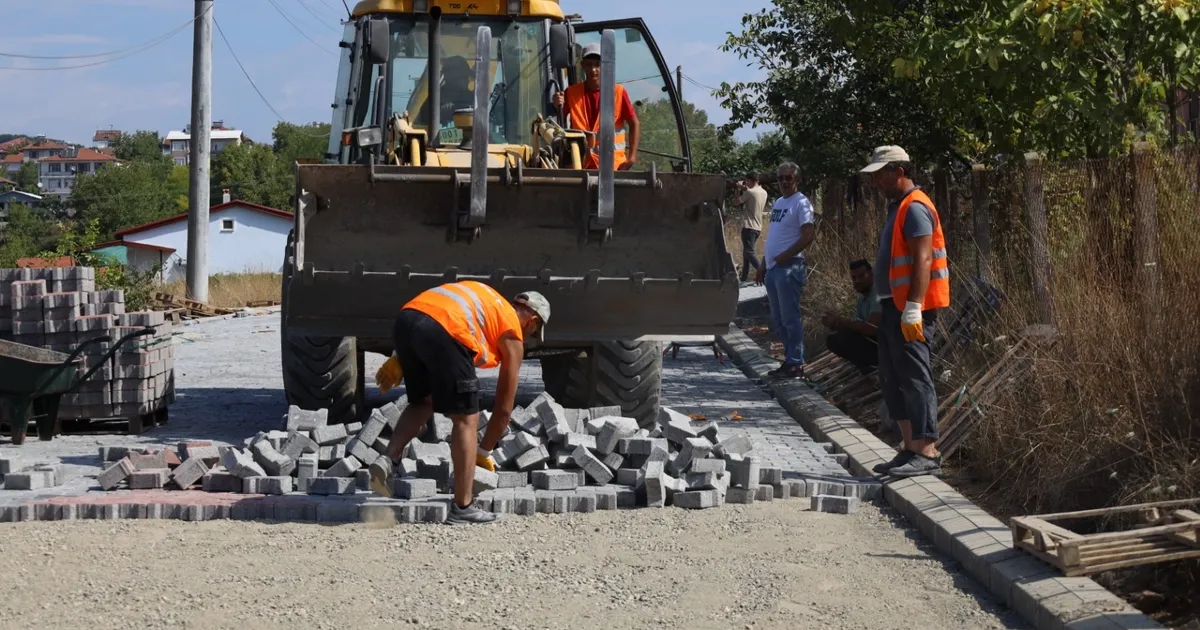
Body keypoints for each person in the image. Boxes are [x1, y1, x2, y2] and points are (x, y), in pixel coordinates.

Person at [374, 281, 550, 524]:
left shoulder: (490, 301)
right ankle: (463, 507)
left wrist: (399, 355)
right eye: (532, 333)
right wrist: (483, 451)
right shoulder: (511, 332)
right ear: (532, 321)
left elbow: (434, 311)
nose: (528, 338)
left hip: (406, 320)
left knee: (424, 402)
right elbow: (503, 409)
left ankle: (388, 460)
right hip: (444, 330)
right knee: (467, 417)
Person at [860, 146, 950, 478]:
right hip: (893, 307)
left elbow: (923, 259)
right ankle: (910, 447)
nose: (875, 183)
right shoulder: (899, 207)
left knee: (914, 377)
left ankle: (926, 450)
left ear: (898, 172)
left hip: (912, 310)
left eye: (880, 175)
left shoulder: (915, 208)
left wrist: (913, 306)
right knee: (893, 377)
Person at [755, 162, 816, 379]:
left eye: (788, 178)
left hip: (789, 267)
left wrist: (785, 256)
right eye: (780, 178)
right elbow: (774, 237)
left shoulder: (802, 203)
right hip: (773, 268)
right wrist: (763, 264)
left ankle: (796, 363)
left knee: (790, 318)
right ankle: (789, 359)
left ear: (797, 180)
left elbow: (808, 235)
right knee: (778, 319)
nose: (784, 182)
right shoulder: (779, 202)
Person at [551, 42, 641, 170]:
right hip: (580, 165)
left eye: (597, 65)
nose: (593, 69)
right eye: (589, 65)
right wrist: (556, 106)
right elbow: (558, 125)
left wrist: (632, 157)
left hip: (613, 167)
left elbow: (634, 123)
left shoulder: (618, 92)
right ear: (583, 66)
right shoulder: (571, 93)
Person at [821, 259, 882, 374]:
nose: (857, 281)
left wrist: (841, 322)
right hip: (871, 343)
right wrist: (834, 324)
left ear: (871, 274)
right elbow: (856, 325)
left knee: (845, 334)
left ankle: (874, 365)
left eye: (861, 276)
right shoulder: (862, 299)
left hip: (883, 345)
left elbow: (872, 328)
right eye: (854, 278)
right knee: (833, 339)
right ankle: (866, 367)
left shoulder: (878, 294)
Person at [732, 173, 768, 285]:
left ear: (751, 180)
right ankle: (744, 277)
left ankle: (764, 273)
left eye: (747, 181)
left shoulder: (750, 192)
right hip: (758, 226)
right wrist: (745, 188)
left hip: (749, 226)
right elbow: (753, 198)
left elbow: (736, 202)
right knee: (746, 252)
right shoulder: (763, 192)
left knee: (749, 252)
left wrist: (738, 189)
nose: (745, 183)